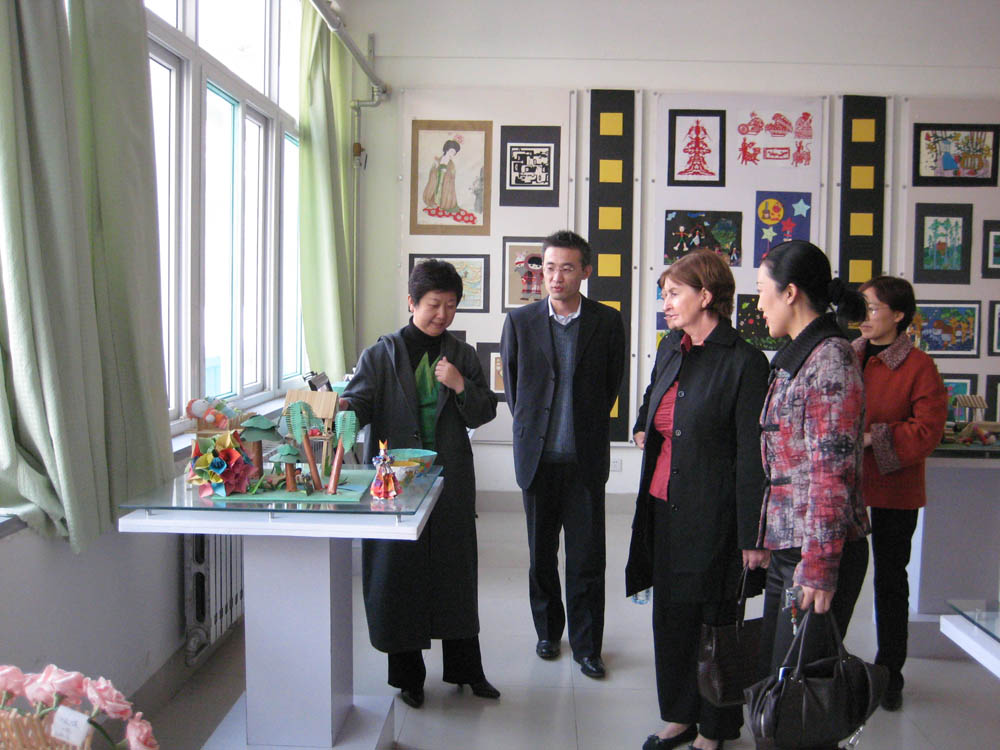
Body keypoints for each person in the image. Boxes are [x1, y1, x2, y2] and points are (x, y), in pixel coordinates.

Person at [625, 251, 769, 750]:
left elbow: (752, 456)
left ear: (706, 296)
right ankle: (680, 715)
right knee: (672, 618)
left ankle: (715, 727)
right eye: (664, 294)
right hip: (663, 505)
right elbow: (653, 397)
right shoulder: (672, 346)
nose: (665, 303)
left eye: (673, 293)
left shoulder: (745, 362)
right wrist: (644, 426)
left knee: (715, 624)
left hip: (716, 517)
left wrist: (752, 534)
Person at [340, 260, 500, 708]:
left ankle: (467, 671)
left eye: (450, 305)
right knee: (399, 576)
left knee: (455, 572)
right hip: (396, 481)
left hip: (450, 477)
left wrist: (461, 385)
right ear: (412, 302)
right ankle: (408, 679)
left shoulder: (461, 354)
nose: (442, 314)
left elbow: (484, 410)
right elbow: (359, 404)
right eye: (433, 304)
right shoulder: (381, 354)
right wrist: (342, 407)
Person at [754, 241, 871, 741]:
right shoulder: (802, 356)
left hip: (817, 553)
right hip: (792, 546)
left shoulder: (830, 361)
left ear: (791, 293)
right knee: (779, 688)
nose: (759, 303)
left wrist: (819, 568)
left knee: (802, 702)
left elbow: (831, 474)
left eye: (762, 290)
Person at [500, 230, 626, 679]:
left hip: (584, 461)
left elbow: (611, 384)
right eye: (549, 267)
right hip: (538, 460)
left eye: (567, 268)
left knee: (587, 559)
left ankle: (588, 646)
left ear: (585, 271)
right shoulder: (521, 322)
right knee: (541, 556)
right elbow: (515, 391)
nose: (555, 277)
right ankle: (548, 632)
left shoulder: (607, 322)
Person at [854, 275, 947, 712]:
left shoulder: (919, 366)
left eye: (872, 308)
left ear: (898, 315)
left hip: (895, 487)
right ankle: (826, 665)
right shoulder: (847, 354)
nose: (864, 316)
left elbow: (927, 431)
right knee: (835, 576)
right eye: (862, 307)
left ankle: (890, 673)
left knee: (890, 580)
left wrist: (873, 438)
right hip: (846, 484)